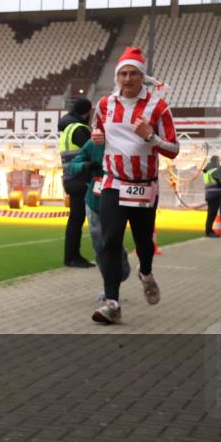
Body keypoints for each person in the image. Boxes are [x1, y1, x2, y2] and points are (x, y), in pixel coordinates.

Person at [90, 47, 179, 325]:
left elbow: (174, 149)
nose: (127, 79)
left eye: (133, 74)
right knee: (110, 240)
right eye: (123, 74)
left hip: (143, 187)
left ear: (143, 77)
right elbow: (99, 131)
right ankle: (112, 303)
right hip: (113, 183)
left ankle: (146, 273)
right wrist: (97, 137)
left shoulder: (158, 107)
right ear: (117, 77)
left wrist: (150, 136)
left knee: (143, 243)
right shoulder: (105, 105)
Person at [64, 132, 131, 298]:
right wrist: (86, 166)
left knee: (111, 241)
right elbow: (72, 165)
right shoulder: (93, 143)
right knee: (99, 246)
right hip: (94, 200)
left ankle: (118, 261)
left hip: (118, 197)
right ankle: (108, 284)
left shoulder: (126, 140)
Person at [59, 97, 95, 268]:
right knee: (77, 219)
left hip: (70, 177)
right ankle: (73, 257)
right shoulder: (80, 129)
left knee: (75, 219)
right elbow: (93, 151)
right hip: (81, 178)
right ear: (87, 112)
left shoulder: (67, 128)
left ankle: (71, 255)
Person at [203, 155, 221, 237]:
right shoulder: (215, 170)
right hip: (215, 194)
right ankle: (209, 231)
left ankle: (209, 231)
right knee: (212, 214)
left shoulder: (207, 171)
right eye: (218, 161)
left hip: (209, 194)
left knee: (211, 214)